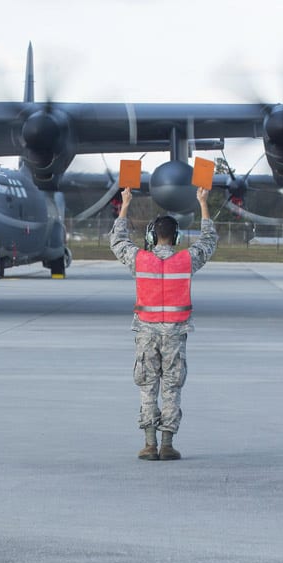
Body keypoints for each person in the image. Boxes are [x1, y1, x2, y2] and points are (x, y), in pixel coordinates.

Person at [110, 186, 218, 461]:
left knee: (148, 386)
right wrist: (203, 203)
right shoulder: (185, 261)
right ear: (177, 237)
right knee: (171, 387)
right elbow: (209, 241)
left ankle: (149, 444)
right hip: (175, 333)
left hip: (146, 332)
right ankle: (167, 444)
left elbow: (118, 240)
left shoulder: (140, 260)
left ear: (151, 237)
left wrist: (125, 203)